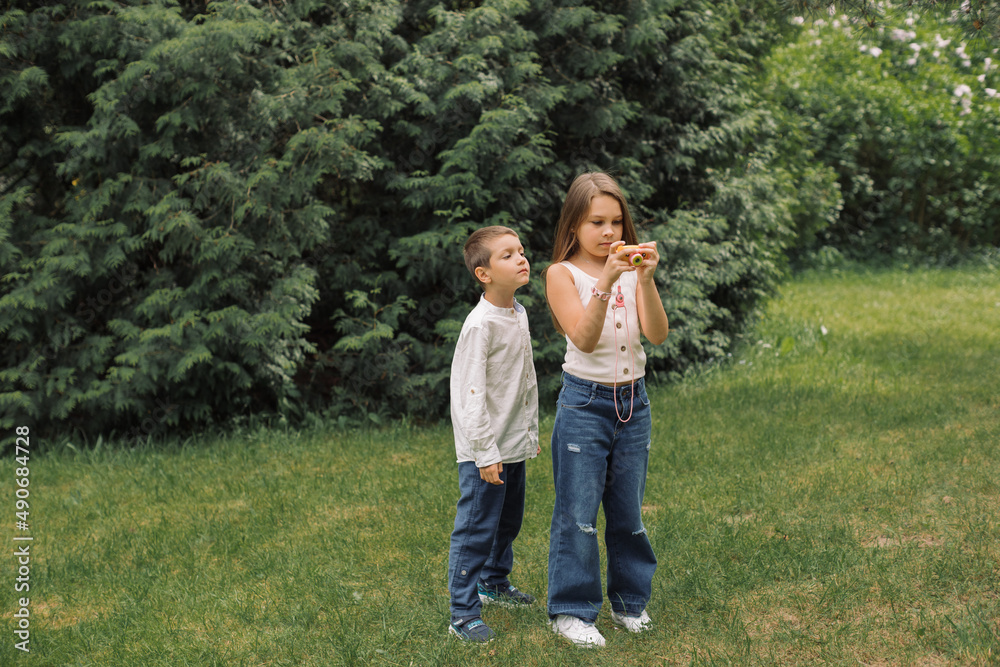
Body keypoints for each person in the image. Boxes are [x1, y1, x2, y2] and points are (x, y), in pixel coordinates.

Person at [543, 172, 670, 648]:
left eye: (616, 221)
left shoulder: (632, 270)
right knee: (577, 513)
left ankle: (629, 604)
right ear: (574, 223)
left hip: (634, 402)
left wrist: (646, 280)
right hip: (585, 402)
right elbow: (583, 337)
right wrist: (604, 282)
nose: (609, 232)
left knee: (627, 512)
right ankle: (571, 611)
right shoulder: (562, 274)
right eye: (597, 221)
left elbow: (656, 335)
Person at [447, 225, 541, 642]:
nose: (521, 258)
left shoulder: (517, 313)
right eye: (508, 255)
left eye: (520, 251)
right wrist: (485, 452)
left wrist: (526, 435)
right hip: (484, 450)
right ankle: (462, 613)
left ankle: (493, 582)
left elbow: (520, 382)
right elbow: (471, 395)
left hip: (512, 444)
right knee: (476, 529)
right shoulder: (480, 325)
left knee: (508, 522)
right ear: (483, 273)